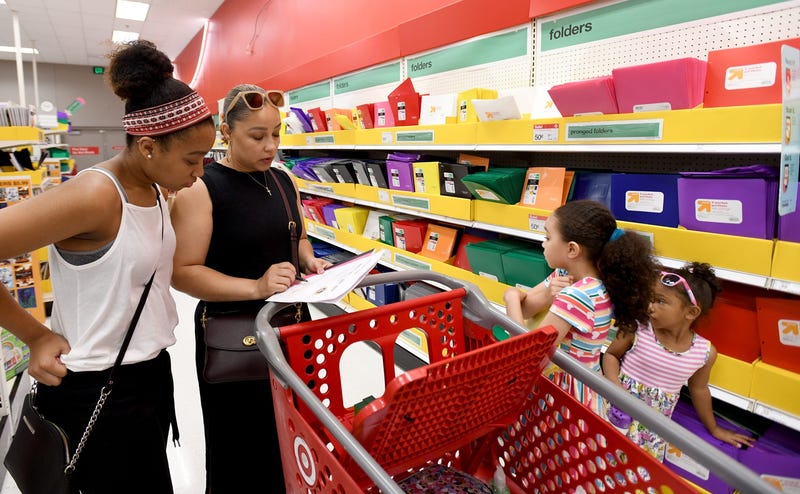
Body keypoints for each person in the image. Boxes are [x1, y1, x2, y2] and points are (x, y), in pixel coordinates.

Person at [0, 40, 215, 492]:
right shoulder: (96, 195)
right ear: (151, 147)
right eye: (192, 159)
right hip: (96, 388)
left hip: (147, 375)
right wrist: (35, 335)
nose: (200, 172)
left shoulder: (156, 190)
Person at [170, 84, 331, 493]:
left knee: (293, 435)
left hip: (292, 329)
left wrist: (310, 261)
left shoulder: (282, 181)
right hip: (233, 336)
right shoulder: (201, 187)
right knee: (241, 446)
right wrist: (256, 285)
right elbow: (183, 272)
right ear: (226, 132)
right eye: (257, 137)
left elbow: (297, 237)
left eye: (276, 134)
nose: (271, 146)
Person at [503, 199, 658, 416]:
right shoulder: (573, 278)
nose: (543, 244)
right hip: (580, 384)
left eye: (548, 237)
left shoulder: (577, 295)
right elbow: (527, 309)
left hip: (563, 399)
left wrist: (510, 298)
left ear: (572, 249)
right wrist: (548, 294)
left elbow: (526, 357)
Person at [602, 262, 756, 461]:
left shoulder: (703, 352)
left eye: (660, 301)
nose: (650, 306)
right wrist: (615, 389)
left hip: (652, 432)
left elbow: (699, 390)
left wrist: (715, 429)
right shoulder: (639, 328)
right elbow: (611, 355)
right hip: (615, 413)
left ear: (691, 312)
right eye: (650, 299)